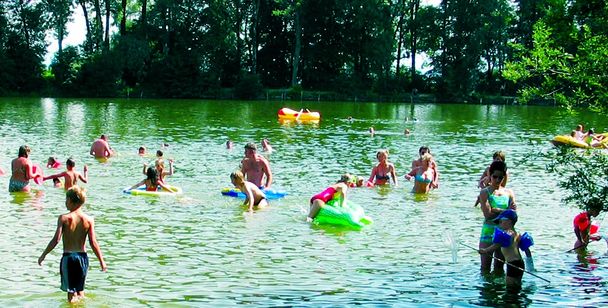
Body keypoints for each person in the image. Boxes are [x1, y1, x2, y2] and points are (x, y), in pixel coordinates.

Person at [38, 186, 107, 303]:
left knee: (71, 295)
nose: (65, 203)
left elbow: (56, 240)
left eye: (66, 200)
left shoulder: (64, 218)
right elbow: (93, 242)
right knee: (81, 291)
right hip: (82, 258)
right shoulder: (89, 219)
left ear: (70, 200)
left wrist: (44, 254)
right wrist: (102, 261)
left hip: (69, 258)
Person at [478, 209, 534, 290]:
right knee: (517, 285)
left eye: (501, 221)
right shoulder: (518, 235)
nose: (499, 224)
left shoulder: (508, 233)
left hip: (512, 264)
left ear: (509, 222)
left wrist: (485, 251)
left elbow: (498, 244)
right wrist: (530, 266)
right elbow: (527, 251)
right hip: (520, 263)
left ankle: (511, 301)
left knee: (510, 288)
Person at [478, 161, 517, 274]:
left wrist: (496, 210)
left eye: (501, 177)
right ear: (490, 175)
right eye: (495, 177)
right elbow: (488, 215)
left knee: (499, 269)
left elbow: (513, 216)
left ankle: (498, 290)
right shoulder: (485, 192)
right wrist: (506, 212)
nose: (497, 180)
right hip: (488, 232)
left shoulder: (509, 192)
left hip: (504, 232)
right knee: (485, 268)